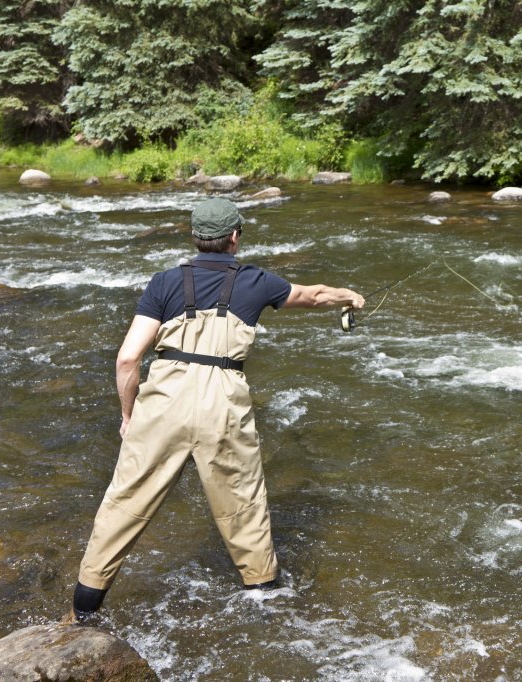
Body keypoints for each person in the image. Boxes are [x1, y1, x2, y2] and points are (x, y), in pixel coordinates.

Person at [70, 197, 364, 620]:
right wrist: (348, 296)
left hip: (164, 397)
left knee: (126, 500)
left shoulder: (164, 282)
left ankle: (84, 608)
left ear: (195, 238)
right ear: (235, 237)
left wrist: (129, 417)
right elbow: (314, 296)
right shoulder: (256, 281)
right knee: (242, 501)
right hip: (223, 399)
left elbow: (127, 359)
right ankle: (265, 603)